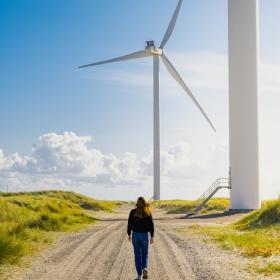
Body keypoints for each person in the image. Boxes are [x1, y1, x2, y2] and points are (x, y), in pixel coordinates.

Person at [127, 197, 154, 280]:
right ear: (144, 203)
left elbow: (129, 223)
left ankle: (139, 276)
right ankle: (144, 269)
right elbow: (151, 225)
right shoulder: (148, 212)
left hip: (135, 235)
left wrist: (129, 234)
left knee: (137, 255)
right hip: (145, 236)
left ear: (137, 203)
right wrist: (152, 236)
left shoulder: (132, 212)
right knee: (145, 254)